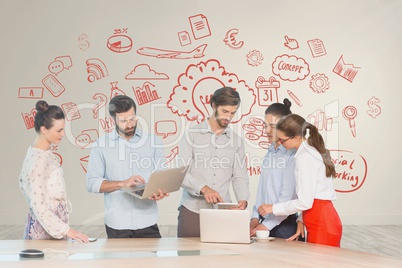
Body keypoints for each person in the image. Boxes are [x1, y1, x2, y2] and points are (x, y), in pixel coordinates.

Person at [86, 95, 168, 238]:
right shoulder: (101, 145)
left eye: (132, 118)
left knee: (152, 261)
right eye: (123, 121)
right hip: (117, 224)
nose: (129, 125)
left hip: (148, 220)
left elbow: (161, 176)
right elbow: (91, 183)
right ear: (113, 120)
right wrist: (122, 184)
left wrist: (159, 190)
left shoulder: (153, 141)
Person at [257, 114, 342, 247]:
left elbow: (305, 202)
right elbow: (312, 195)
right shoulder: (309, 151)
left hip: (321, 222)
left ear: (296, 137)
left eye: (282, 140)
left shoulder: (304, 157)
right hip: (321, 219)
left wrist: (273, 208)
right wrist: (302, 220)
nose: (279, 142)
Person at [177, 86, 250, 237]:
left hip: (223, 213)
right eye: (225, 111)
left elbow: (239, 176)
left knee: (223, 259)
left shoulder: (236, 141)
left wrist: (243, 199)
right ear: (214, 105)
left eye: (233, 113)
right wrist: (204, 188)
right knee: (188, 259)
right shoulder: (192, 135)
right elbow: (181, 172)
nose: (228, 117)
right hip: (192, 210)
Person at [19, 100, 89, 243]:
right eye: (59, 130)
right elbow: (37, 204)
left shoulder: (40, 152)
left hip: (52, 227)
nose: (63, 134)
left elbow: (23, 183)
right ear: (44, 129)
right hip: (45, 232)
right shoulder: (39, 159)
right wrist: (67, 230)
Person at [250, 99, 301, 239]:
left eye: (272, 126)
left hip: (283, 227)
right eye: (265, 125)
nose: (267, 131)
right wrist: (254, 217)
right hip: (264, 223)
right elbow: (262, 190)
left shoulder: (292, 156)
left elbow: (288, 197)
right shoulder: (270, 152)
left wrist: (266, 225)